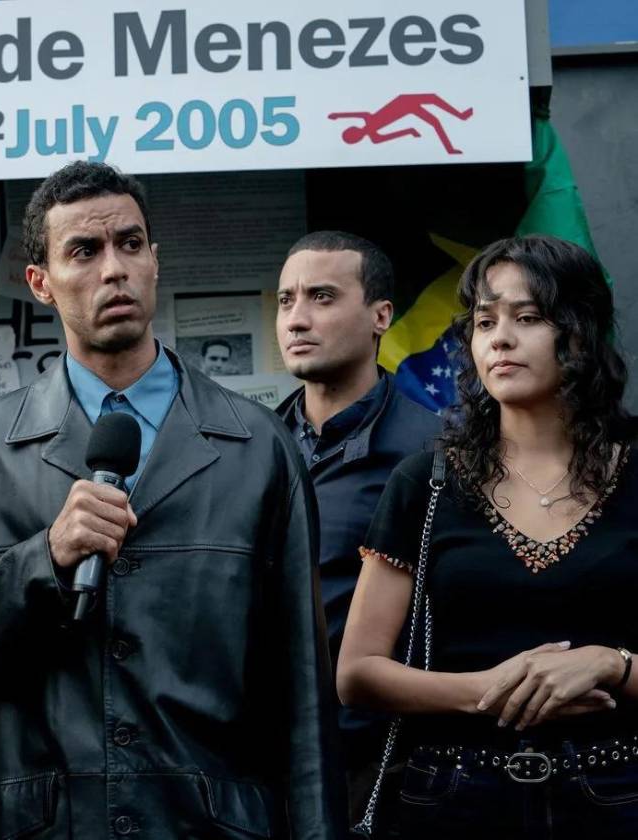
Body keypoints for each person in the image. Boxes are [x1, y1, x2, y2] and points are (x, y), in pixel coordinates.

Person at [0, 160, 345, 839]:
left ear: (155, 261)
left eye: (130, 244)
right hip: (49, 823)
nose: (115, 269)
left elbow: (304, 688)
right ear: (40, 283)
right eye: (85, 251)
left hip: (214, 825)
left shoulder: (258, 445)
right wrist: (44, 559)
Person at [338, 235, 638, 838]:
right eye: (484, 321)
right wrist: (488, 689)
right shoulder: (425, 481)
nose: (499, 338)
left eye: (527, 318)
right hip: (452, 797)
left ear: (580, 333)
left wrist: (612, 665)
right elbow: (357, 673)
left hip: (618, 793)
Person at [273, 231, 440, 814]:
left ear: (380, 316)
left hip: (385, 764)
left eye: (321, 297)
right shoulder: (248, 447)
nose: (297, 319)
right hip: (259, 757)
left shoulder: (438, 454)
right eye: (286, 300)